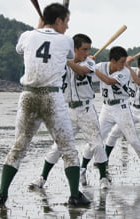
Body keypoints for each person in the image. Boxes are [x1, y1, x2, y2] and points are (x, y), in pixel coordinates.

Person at [0, 3, 90, 207]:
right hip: (52, 97)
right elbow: (70, 56)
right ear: (59, 20)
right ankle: (74, 196)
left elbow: (22, 49)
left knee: (19, 146)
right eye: (66, 21)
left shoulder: (27, 36)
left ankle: (1, 194)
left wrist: (39, 27)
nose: (68, 26)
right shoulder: (66, 41)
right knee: (68, 148)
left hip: (28, 96)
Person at [28, 34, 110, 190]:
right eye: (83, 49)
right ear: (74, 49)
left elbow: (81, 71)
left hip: (86, 110)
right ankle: (42, 178)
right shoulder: (61, 64)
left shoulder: (90, 62)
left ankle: (103, 178)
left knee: (97, 145)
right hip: (68, 111)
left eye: (88, 49)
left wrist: (71, 60)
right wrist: (63, 58)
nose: (86, 52)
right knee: (58, 146)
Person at [94, 46, 140, 183]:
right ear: (113, 60)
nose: (122, 65)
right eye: (120, 62)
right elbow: (86, 71)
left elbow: (111, 81)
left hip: (124, 108)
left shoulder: (126, 71)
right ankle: (90, 166)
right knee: (100, 137)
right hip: (107, 107)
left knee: (135, 139)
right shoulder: (101, 66)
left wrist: (126, 65)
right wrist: (89, 64)